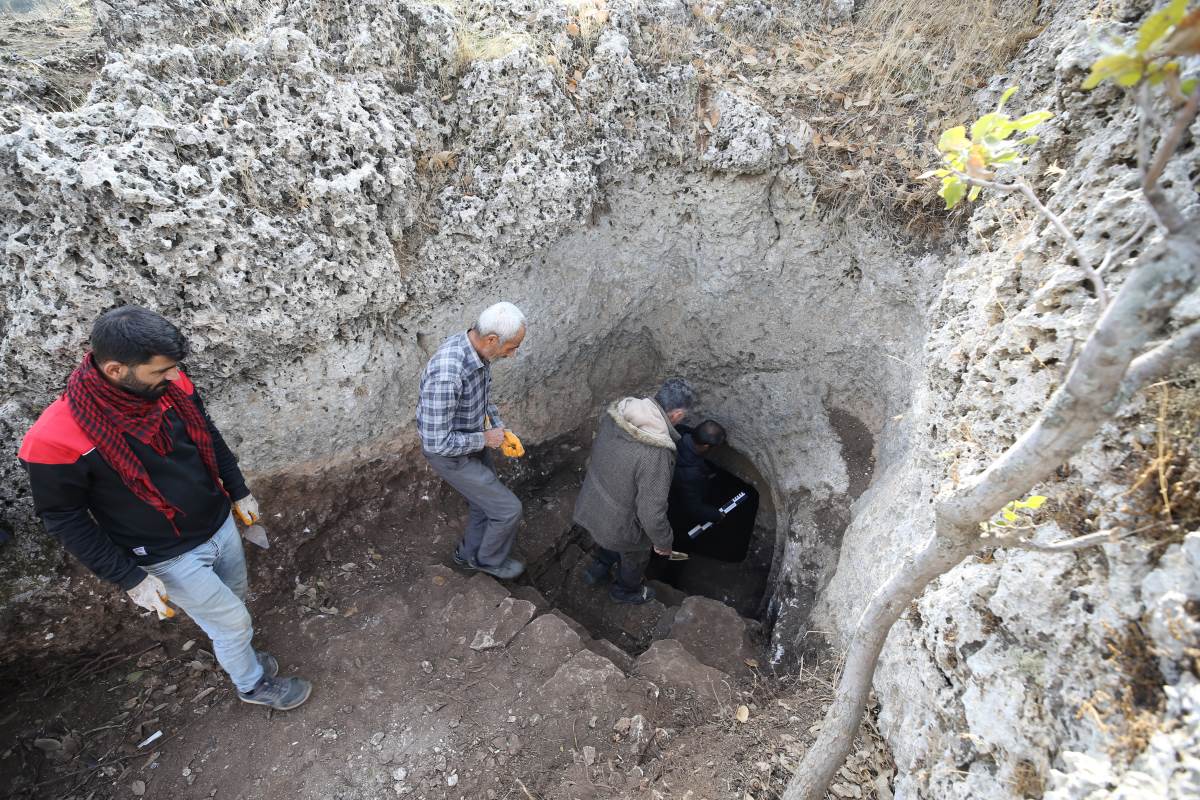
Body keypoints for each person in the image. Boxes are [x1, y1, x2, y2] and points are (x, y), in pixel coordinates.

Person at [19, 306, 311, 710]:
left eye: (174, 368)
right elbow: (63, 518)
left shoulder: (171, 388)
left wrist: (239, 492)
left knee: (233, 606)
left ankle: (237, 650)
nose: (175, 377)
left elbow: (209, 436)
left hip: (218, 522)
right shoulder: (55, 439)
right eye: (161, 371)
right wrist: (129, 578)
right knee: (232, 620)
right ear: (117, 370)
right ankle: (252, 684)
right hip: (165, 555)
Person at [418, 302, 526, 580]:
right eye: (512, 347)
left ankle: (467, 556)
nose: (512, 355)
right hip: (451, 454)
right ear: (492, 339)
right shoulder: (447, 373)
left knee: (483, 503)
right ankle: (488, 561)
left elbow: (482, 399)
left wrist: (499, 429)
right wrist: (484, 439)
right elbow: (436, 443)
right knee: (507, 510)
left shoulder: (476, 352)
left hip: (472, 440)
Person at [573, 378, 696, 604]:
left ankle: (600, 565)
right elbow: (652, 513)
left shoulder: (619, 411)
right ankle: (625, 591)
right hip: (620, 526)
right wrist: (664, 542)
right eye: (683, 417)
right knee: (636, 557)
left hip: (593, 501)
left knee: (608, 534)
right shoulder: (656, 454)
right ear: (677, 415)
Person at [669, 419, 728, 532]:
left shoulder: (679, 430)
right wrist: (716, 515)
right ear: (706, 446)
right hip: (678, 491)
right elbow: (693, 507)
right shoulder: (691, 474)